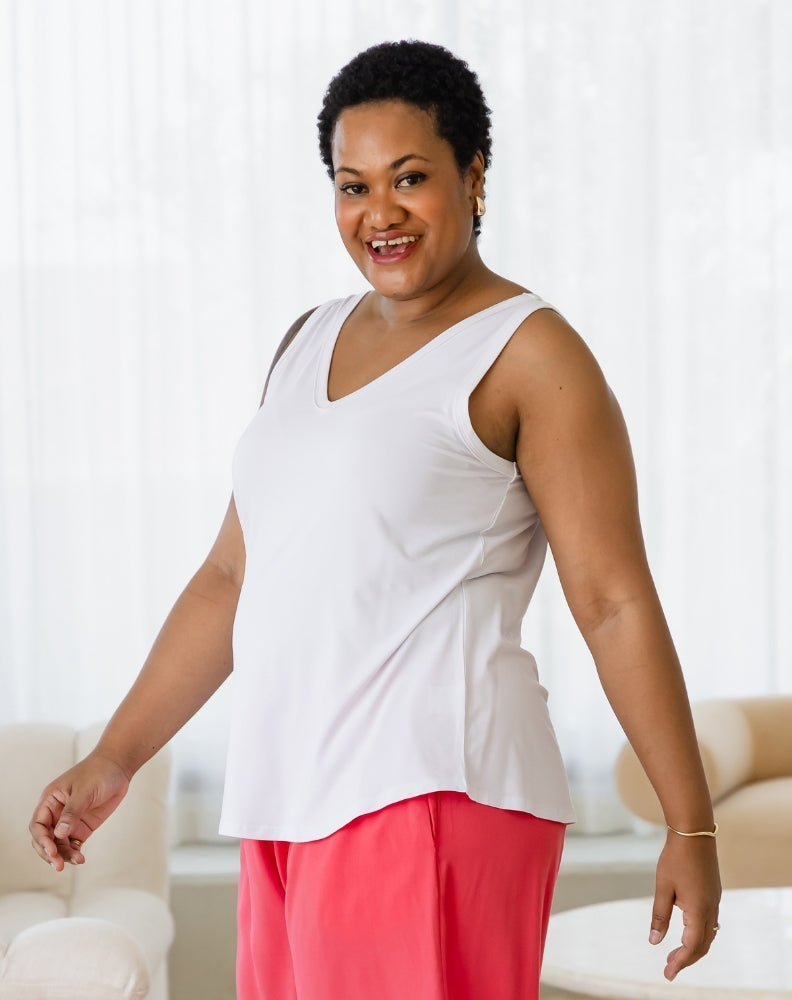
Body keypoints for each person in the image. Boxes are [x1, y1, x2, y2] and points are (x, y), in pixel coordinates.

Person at [30, 39, 721, 1000]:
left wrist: (690, 826)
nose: (379, 213)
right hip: (288, 799)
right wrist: (116, 758)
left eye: (410, 178)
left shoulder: (530, 354)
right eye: (352, 186)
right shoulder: (306, 338)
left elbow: (611, 602)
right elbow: (234, 576)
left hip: (429, 793)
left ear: (475, 176)